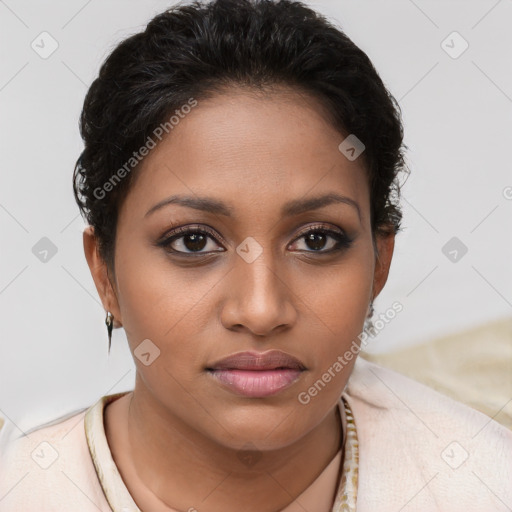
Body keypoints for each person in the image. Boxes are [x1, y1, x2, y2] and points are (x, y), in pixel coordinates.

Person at [0, 0, 510, 510]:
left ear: (379, 264)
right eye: (193, 241)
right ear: (104, 272)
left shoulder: (483, 483)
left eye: (316, 239)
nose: (261, 310)